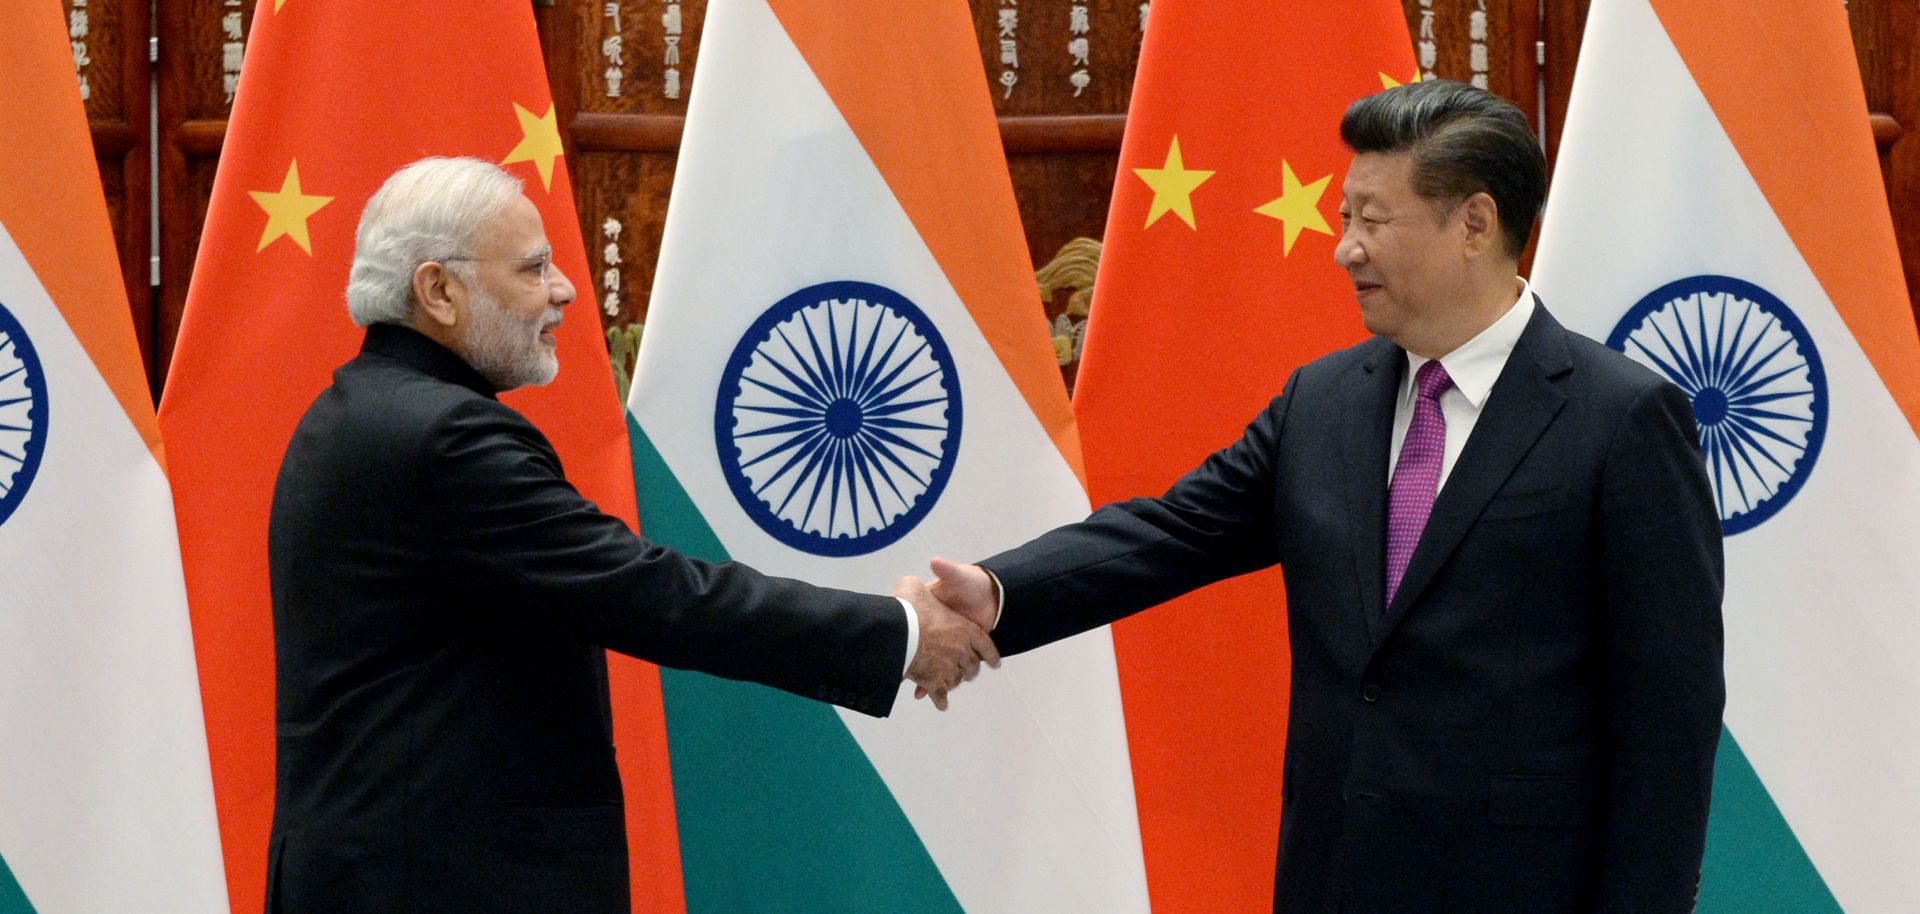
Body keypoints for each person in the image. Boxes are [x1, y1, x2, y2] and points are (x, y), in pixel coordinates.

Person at [930, 80, 1725, 912]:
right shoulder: (1324, 400)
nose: (1345, 248)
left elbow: (1669, 718)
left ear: (1476, 224)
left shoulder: (1620, 418)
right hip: (1334, 879)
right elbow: (1170, 533)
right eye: (1346, 217)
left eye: (1373, 221)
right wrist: (996, 592)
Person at [265, 156, 997, 913]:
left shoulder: (355, 413)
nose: (564, 289)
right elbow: (655, 595)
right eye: (532, 267)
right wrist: (903, 635)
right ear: (438, 291)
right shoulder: (444, 437)